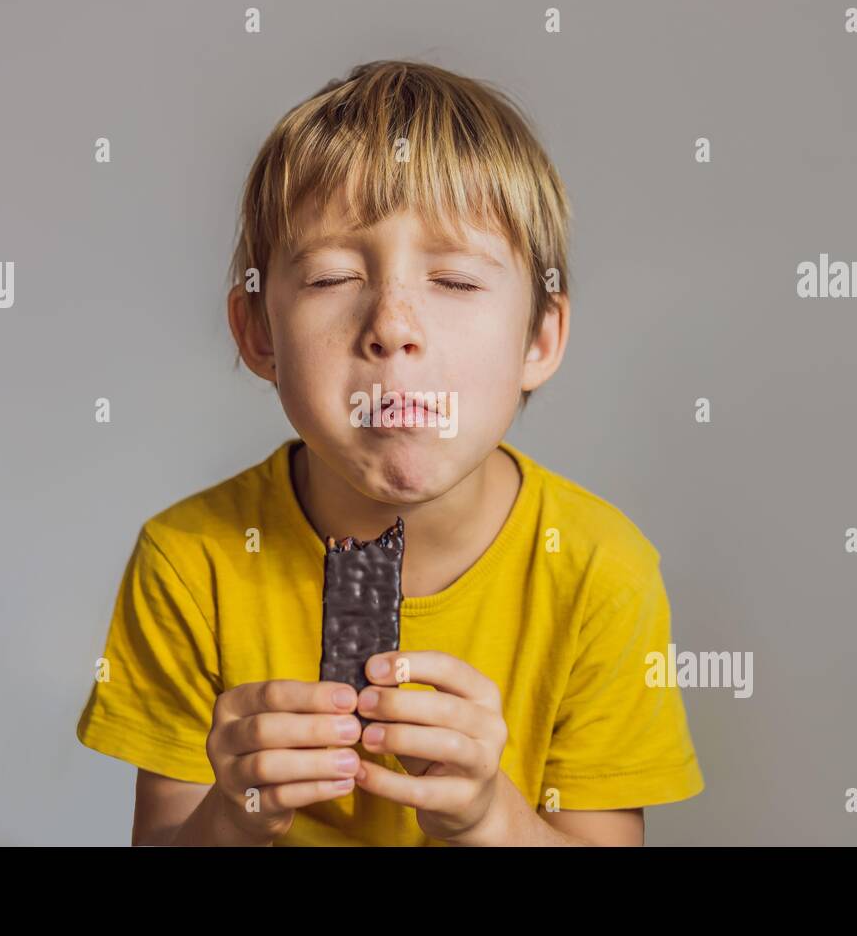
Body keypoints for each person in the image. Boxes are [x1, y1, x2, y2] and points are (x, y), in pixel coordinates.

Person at [76, 59, 704, 846]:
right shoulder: (190, 562)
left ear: (538, 339)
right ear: (259, 333)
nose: (394, 324)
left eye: (457, 282)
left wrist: (490, 817)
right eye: (334, 276)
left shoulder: (599, 571)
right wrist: (231, 818)